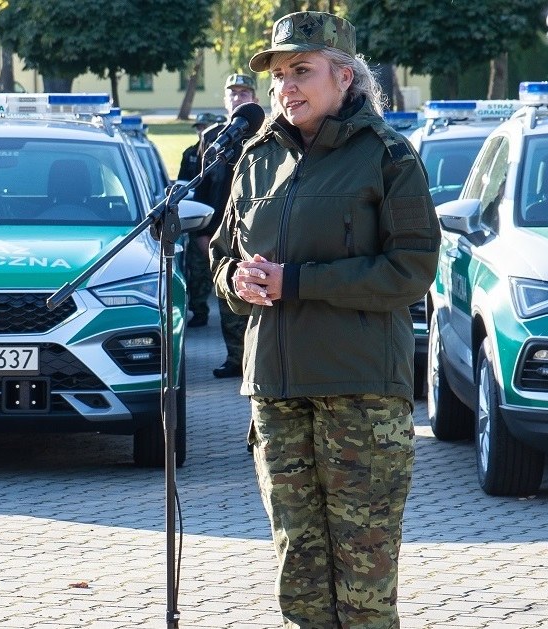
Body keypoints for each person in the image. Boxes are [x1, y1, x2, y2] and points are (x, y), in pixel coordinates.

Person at [209, 11, 439, 628]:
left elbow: (412, 269)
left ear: (345, 78)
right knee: (299, 574)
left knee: (362, 584)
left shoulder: (389, 156)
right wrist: (235, 279)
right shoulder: (256, 158)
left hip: (358, 392)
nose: (286, 87)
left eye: (302, 71)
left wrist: (297, 282)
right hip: (277, 393)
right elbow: (222, 253)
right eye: (279, 74)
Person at [201, 74, 259, 379]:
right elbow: (203, 188)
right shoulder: (213, 138)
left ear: (255, 99)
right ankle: (235, 358)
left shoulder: (267, 134)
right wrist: (202, 234)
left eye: (244, 92)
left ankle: (255, 358)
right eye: (232, 93)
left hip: (256, 231)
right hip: (221, 233)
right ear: (225, 99)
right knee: (228, 299)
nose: (238, 98)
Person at [178, 111, 225, 330]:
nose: (201, 132)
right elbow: (185, 186)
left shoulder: (229, 156)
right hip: (199, 221)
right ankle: (199, 310)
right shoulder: (191, 154)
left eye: (206, 128)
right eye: (199, 128)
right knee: (197, 271)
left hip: (222, 224)